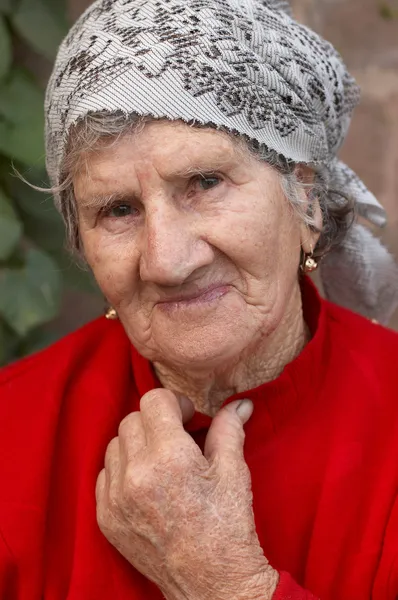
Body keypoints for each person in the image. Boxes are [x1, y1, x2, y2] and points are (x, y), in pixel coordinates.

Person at [1, 0, 398, 598]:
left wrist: (222, 582)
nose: (166, 261)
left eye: (205, 183)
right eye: (117, 210)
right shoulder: (13, 432)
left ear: (306, 201)